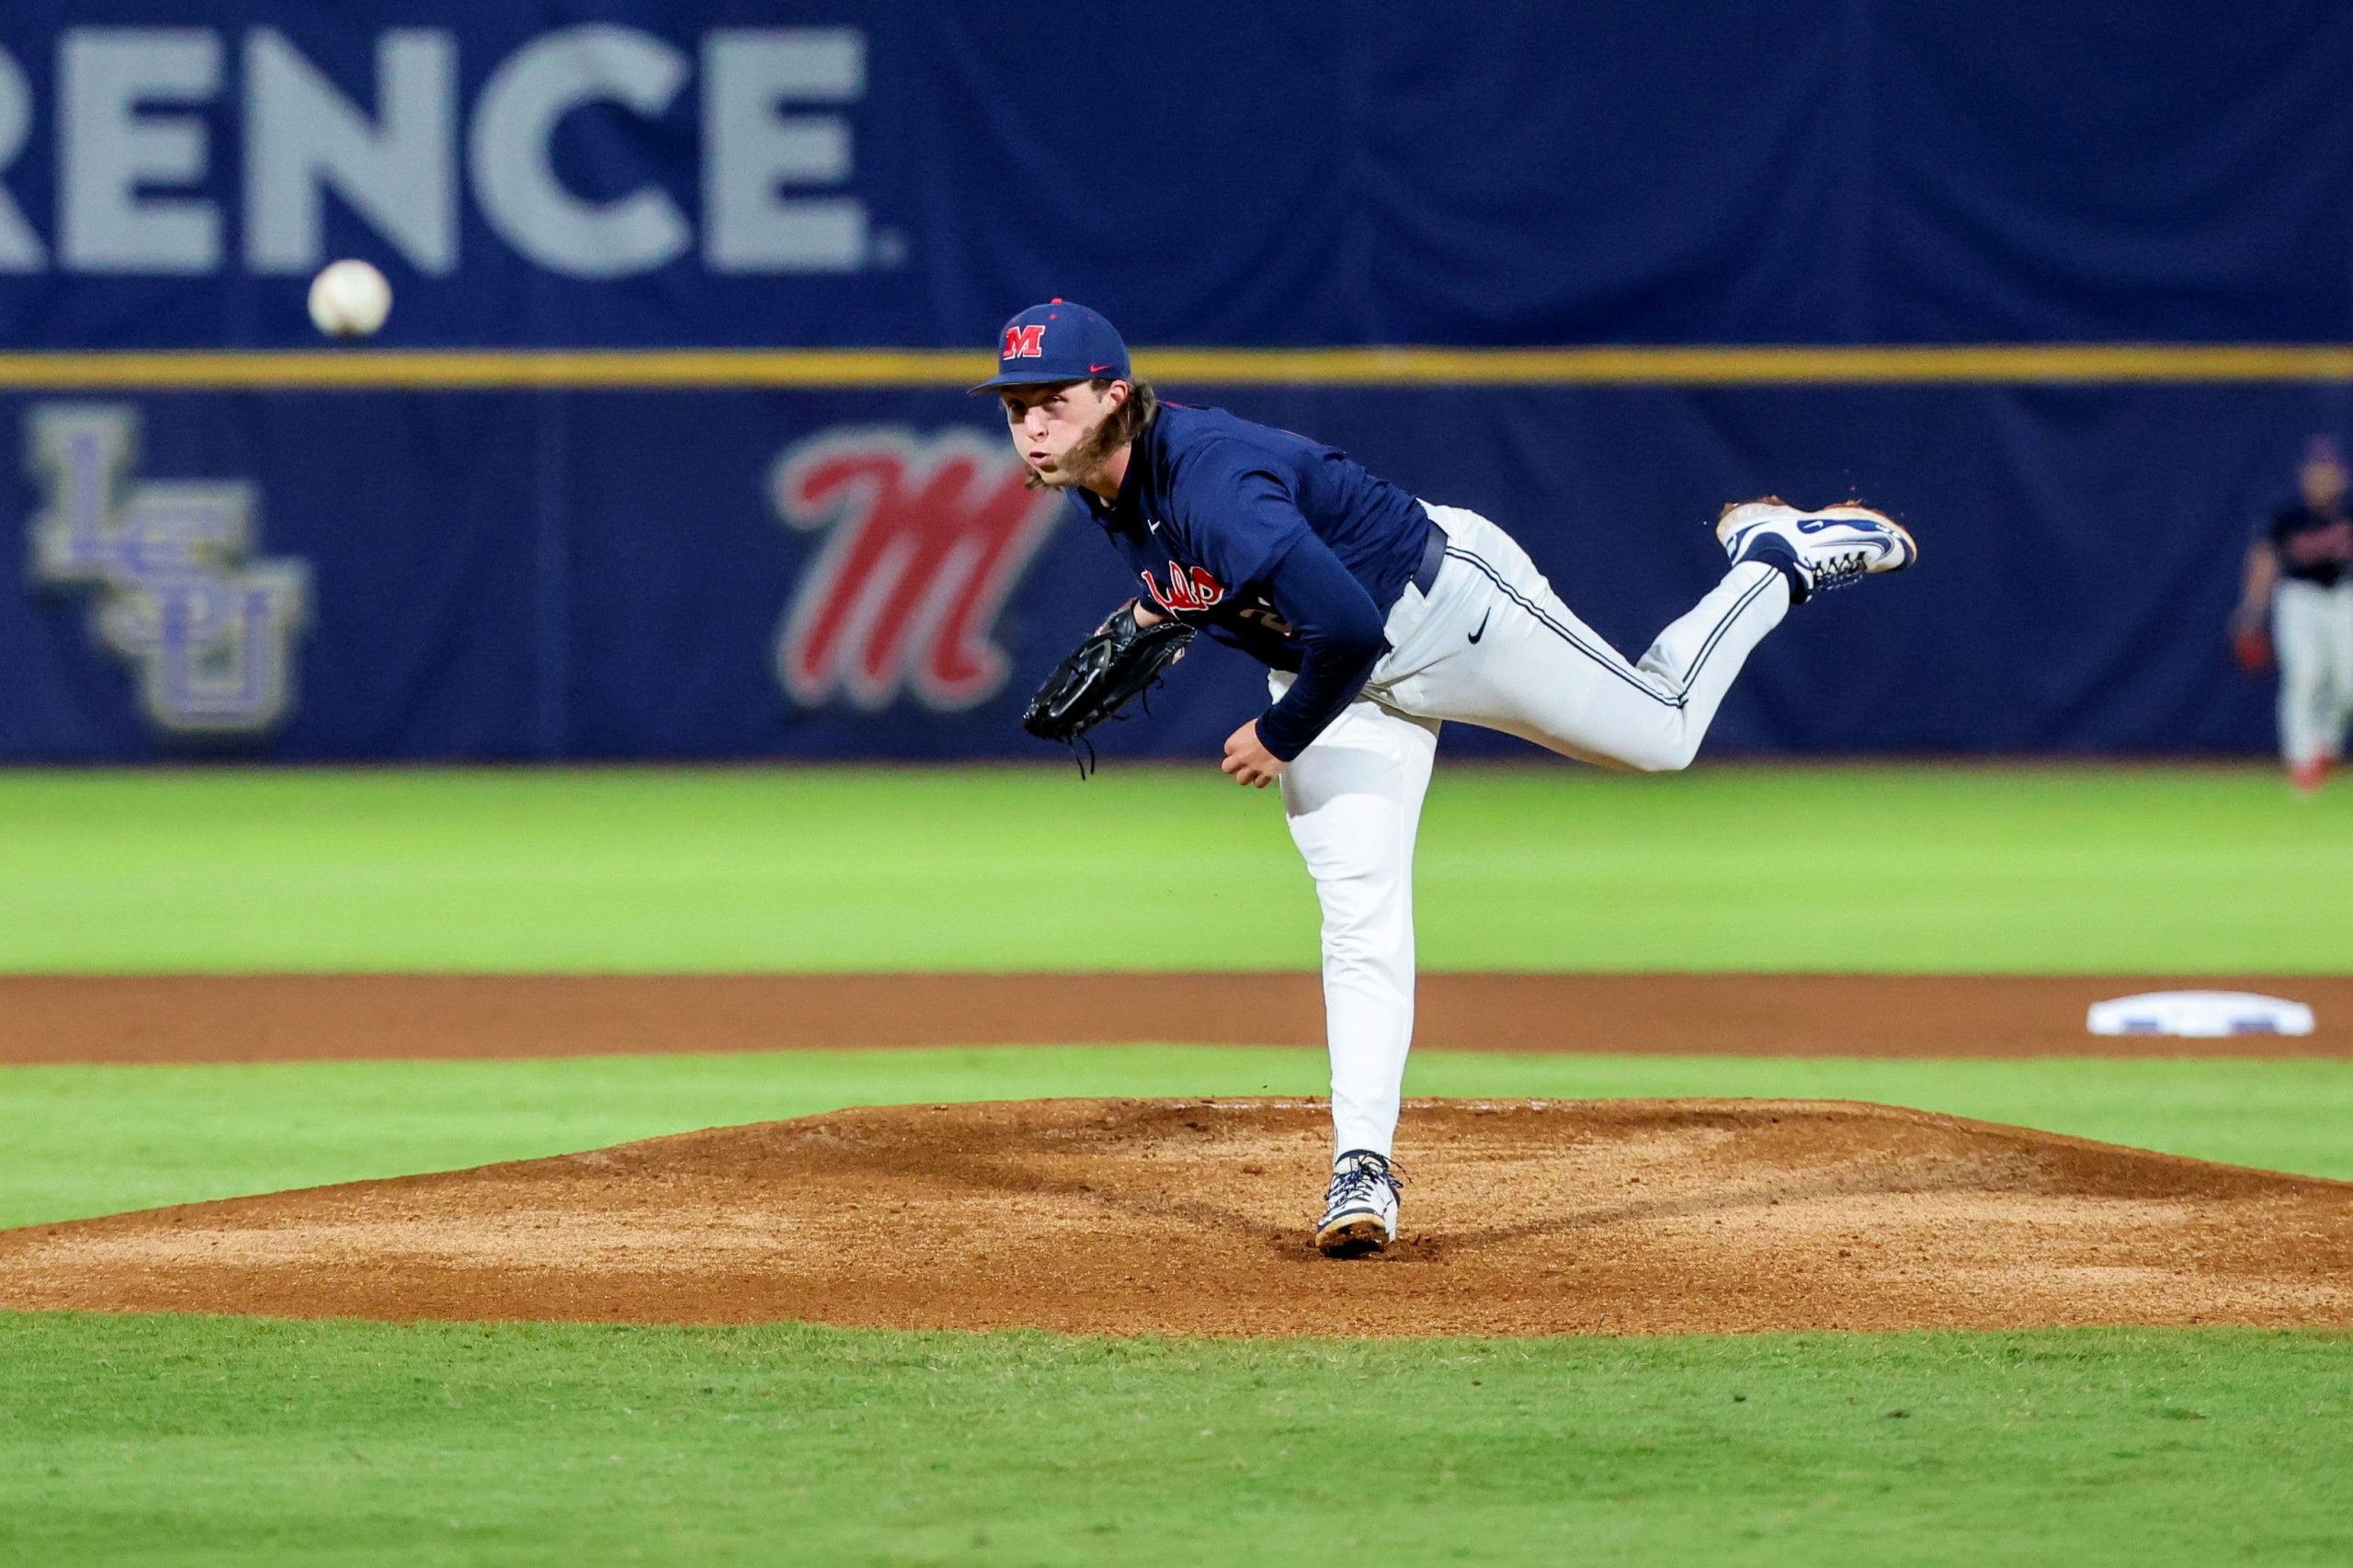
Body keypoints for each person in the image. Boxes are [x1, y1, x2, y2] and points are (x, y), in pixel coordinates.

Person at [973, 301, 1916, 1256]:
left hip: (1446, 614)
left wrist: (1280, 731)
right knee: (1357, 914)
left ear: (1116, 395)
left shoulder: (1209, 479)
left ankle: (1772, 558)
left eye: (1053, 399)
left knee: (1663, 732)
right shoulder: (1106, 486)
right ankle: (1361, 1167)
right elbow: (1232, 585)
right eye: (1016, 406)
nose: (1031, 425)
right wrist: (1152, 619)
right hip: (1335, 671)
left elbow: (1346, 626)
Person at [2232, 436, 2353, 794]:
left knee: (2349, 683)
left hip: (2344, 596)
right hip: (2299, 598)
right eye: (2316, 471)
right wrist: (2253, 608)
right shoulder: (2286, 512)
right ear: (2304, 475)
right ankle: (2303, 761)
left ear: (2341, 476)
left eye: (2328, 471)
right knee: (2304, 675)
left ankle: (2326, 746)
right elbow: (2264, 558)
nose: (2321, 478)